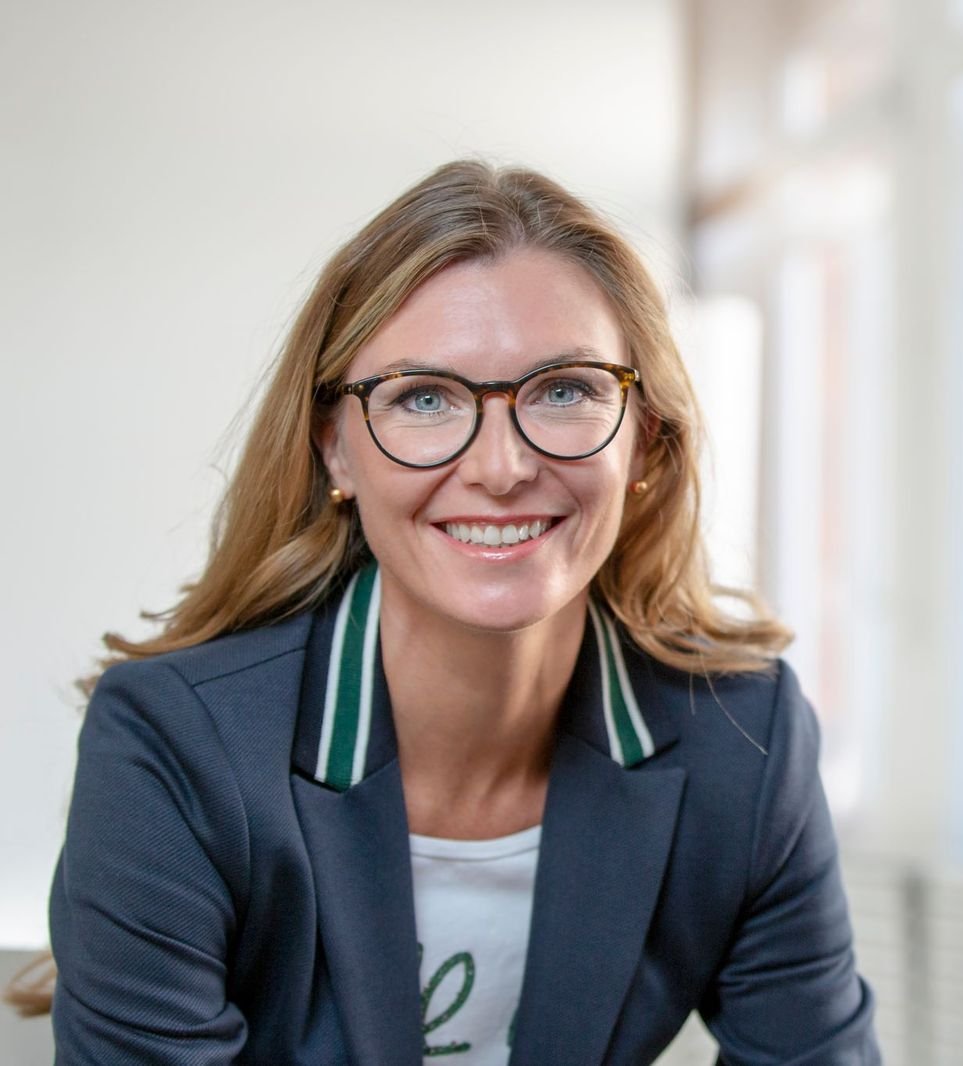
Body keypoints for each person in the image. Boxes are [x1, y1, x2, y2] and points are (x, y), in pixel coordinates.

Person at [29, 160, 879, 1064]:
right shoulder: (174, 746)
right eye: (424, 399)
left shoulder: (743, 743)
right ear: (337, 453)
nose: (502, 467)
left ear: (647, 442)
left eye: (565, 390)